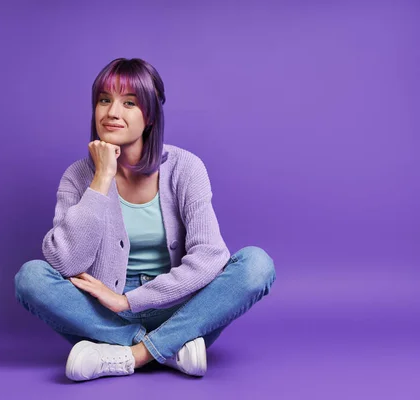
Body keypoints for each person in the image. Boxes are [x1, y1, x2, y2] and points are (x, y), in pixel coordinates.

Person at [15, 58, 276, 382]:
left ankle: (130, 355)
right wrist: (102, 179)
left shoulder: (186, 168)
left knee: (256, 264)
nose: (112, 112)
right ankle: (170, 349)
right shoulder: (78, 175)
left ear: (149, 116)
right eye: (104, 100)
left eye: (129, 103)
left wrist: (129, 301)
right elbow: (65, 262)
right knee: (30, 278)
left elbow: (210, 256)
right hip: (104, 315)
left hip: (180, 309)